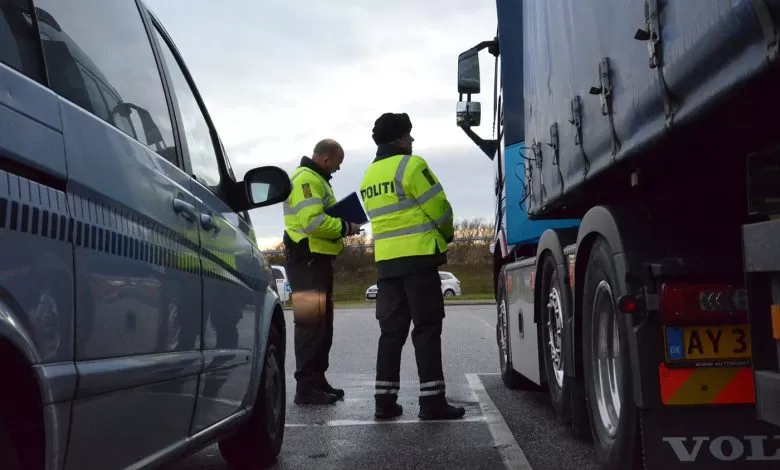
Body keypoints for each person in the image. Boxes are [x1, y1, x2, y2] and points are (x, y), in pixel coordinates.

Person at [359, 113, 466, 420]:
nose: (413, 140)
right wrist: (446, 235)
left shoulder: (368, 175)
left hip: (387, 264)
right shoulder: (412, 165)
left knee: (391, 333)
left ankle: (384, 402)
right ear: (399, 139)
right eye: (409, 135)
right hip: (419, 259)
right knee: (427, 328)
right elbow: (439, 207)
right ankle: (432, 402)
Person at [283, 138, 361, 405]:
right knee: (309, 325)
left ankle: (317, 380)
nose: (337, 170)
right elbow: (313, 221)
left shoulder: (316, 179)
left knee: (322, 326)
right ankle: (306, 388)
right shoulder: (306, 180)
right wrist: (345, 227)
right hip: (307, 261)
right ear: (325, 159)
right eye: (337, 164)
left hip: (317, 261)